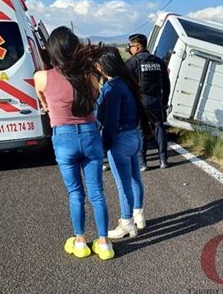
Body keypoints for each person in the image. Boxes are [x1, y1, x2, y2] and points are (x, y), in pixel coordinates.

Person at [34, 26, 114, 261]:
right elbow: (96, 97)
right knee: (97, 193)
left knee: (75, 193)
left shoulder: (43, 77)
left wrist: (49, 107)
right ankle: (104, 243)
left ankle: (80, 242)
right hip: (90, 135)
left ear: (52, 51)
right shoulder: (88, 76)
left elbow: (42, 98)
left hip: (64, 138)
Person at [95, 47, 153, 238]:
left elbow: (109, 120)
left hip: (120, 140)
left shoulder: (110, 88)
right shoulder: (127, 83)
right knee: (135, 179)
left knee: (123, 184)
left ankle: (126, 223)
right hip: (135, 136)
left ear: (103, 66)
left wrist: (104, 145)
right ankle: (139, 215)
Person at [125, 33, 171, 170]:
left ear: (138, 47)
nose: (129, 49)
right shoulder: (158, 61)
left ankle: (142, 163)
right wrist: (164, 101)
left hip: (140, 100)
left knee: (140, 129)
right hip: (156, 99)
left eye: (130, 46)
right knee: (159, 127)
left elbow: (126, 84)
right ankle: (163, 160)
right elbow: (166, 84)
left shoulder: (132, 62)